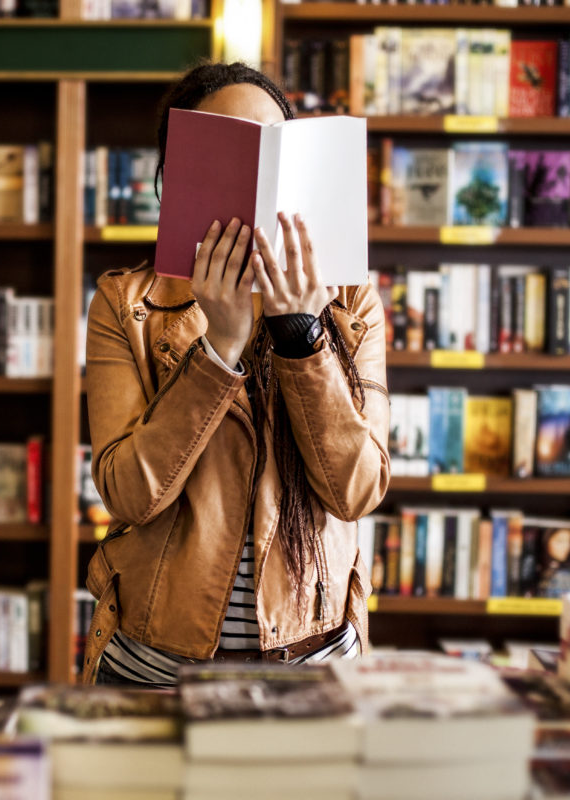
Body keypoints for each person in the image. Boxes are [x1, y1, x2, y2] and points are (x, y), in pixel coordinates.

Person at [81, 61, 391, 687]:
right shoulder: (127, 304)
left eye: (272, 150)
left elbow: (356, 490)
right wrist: (217, 348)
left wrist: (301, 334)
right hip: (156, 672)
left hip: (312, 665)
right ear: (178, 179)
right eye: (230, 151)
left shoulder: (350, 304)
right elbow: (129, 494)